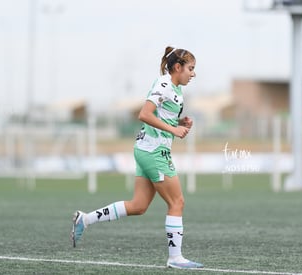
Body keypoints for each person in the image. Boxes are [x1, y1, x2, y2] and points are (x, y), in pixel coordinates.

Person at [71, 46, 203, 269]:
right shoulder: (165, 84)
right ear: (177, 67)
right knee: (177, 202)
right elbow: (144, 114)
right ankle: (175, 258)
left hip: (145, 149)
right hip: (154, 151)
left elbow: (160, 115)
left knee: (138, 206)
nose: (193, 73)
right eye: (190, 68)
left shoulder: (174, 88)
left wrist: (179, 123)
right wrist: (173, 130)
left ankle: (84, 219)